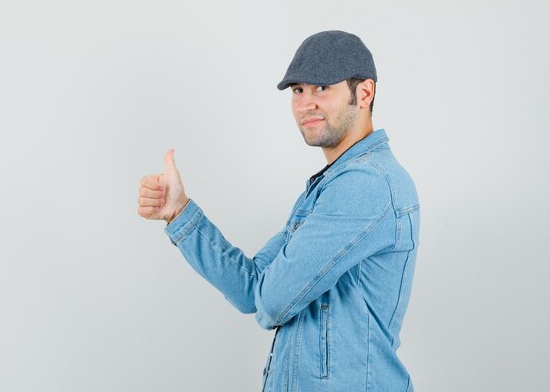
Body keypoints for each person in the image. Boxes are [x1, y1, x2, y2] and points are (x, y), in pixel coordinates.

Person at [138, 30, 420, 392]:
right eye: (298, 91)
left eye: (322, 88)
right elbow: (250, 290)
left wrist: (268, 293)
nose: (306, 103)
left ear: (364, 93)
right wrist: (180, 213)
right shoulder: (330, 187)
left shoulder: (366, 184)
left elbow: (271, 302)